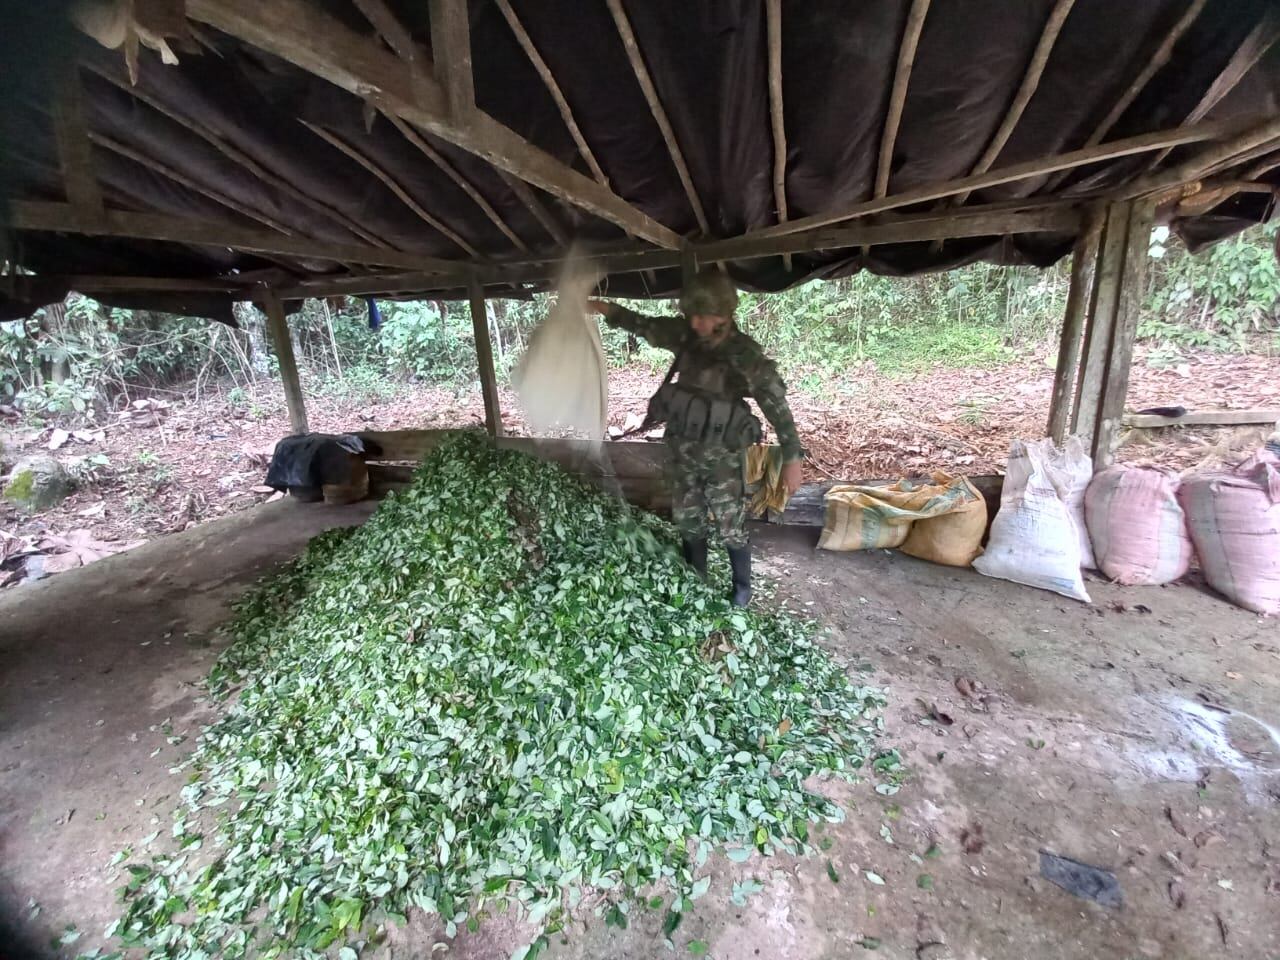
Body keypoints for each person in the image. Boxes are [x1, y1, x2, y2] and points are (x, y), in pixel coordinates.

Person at [586, 268, 803, 607]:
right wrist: (605, 309)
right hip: (682, 449)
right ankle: (696, 579)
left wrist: (792, 457)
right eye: (693, 315)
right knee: (688, 518)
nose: (696, 323)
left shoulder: (743, 354)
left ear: (724, 314)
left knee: (730, 521)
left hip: (722, 456)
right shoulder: (685, 335)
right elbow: (644, 325)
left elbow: (776, 405)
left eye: (704, 316)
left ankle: (742, 590)